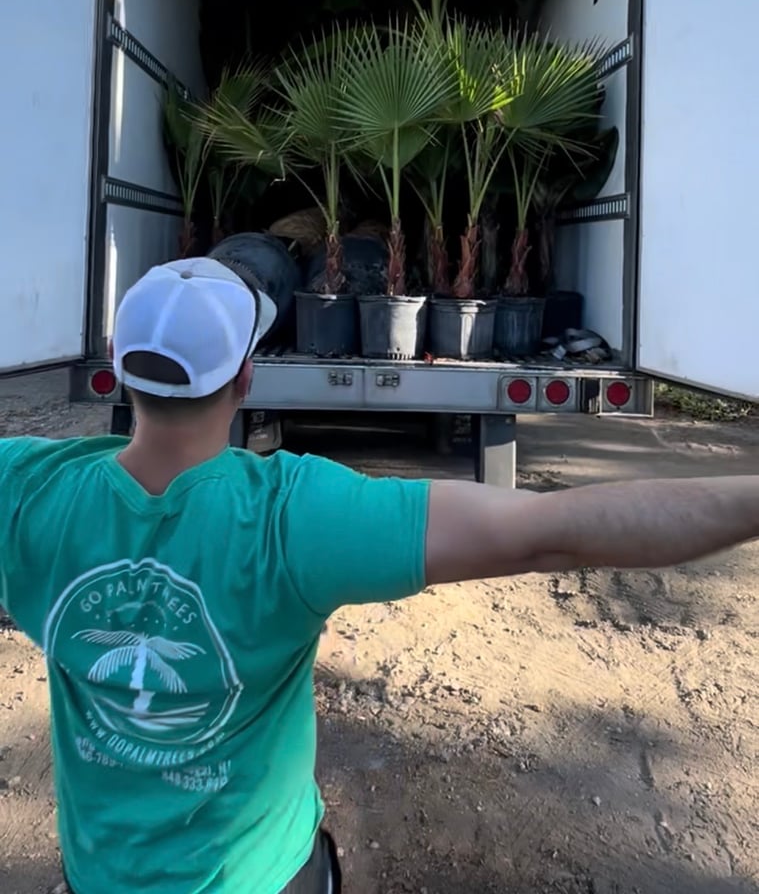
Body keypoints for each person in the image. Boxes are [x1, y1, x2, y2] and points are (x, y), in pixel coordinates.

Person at [0, 257, 756, 894]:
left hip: (100, 876)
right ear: (245, 377)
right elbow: (548, 533)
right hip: (261, 877)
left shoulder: (24, 490)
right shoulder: (293, 516)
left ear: (118, 366)